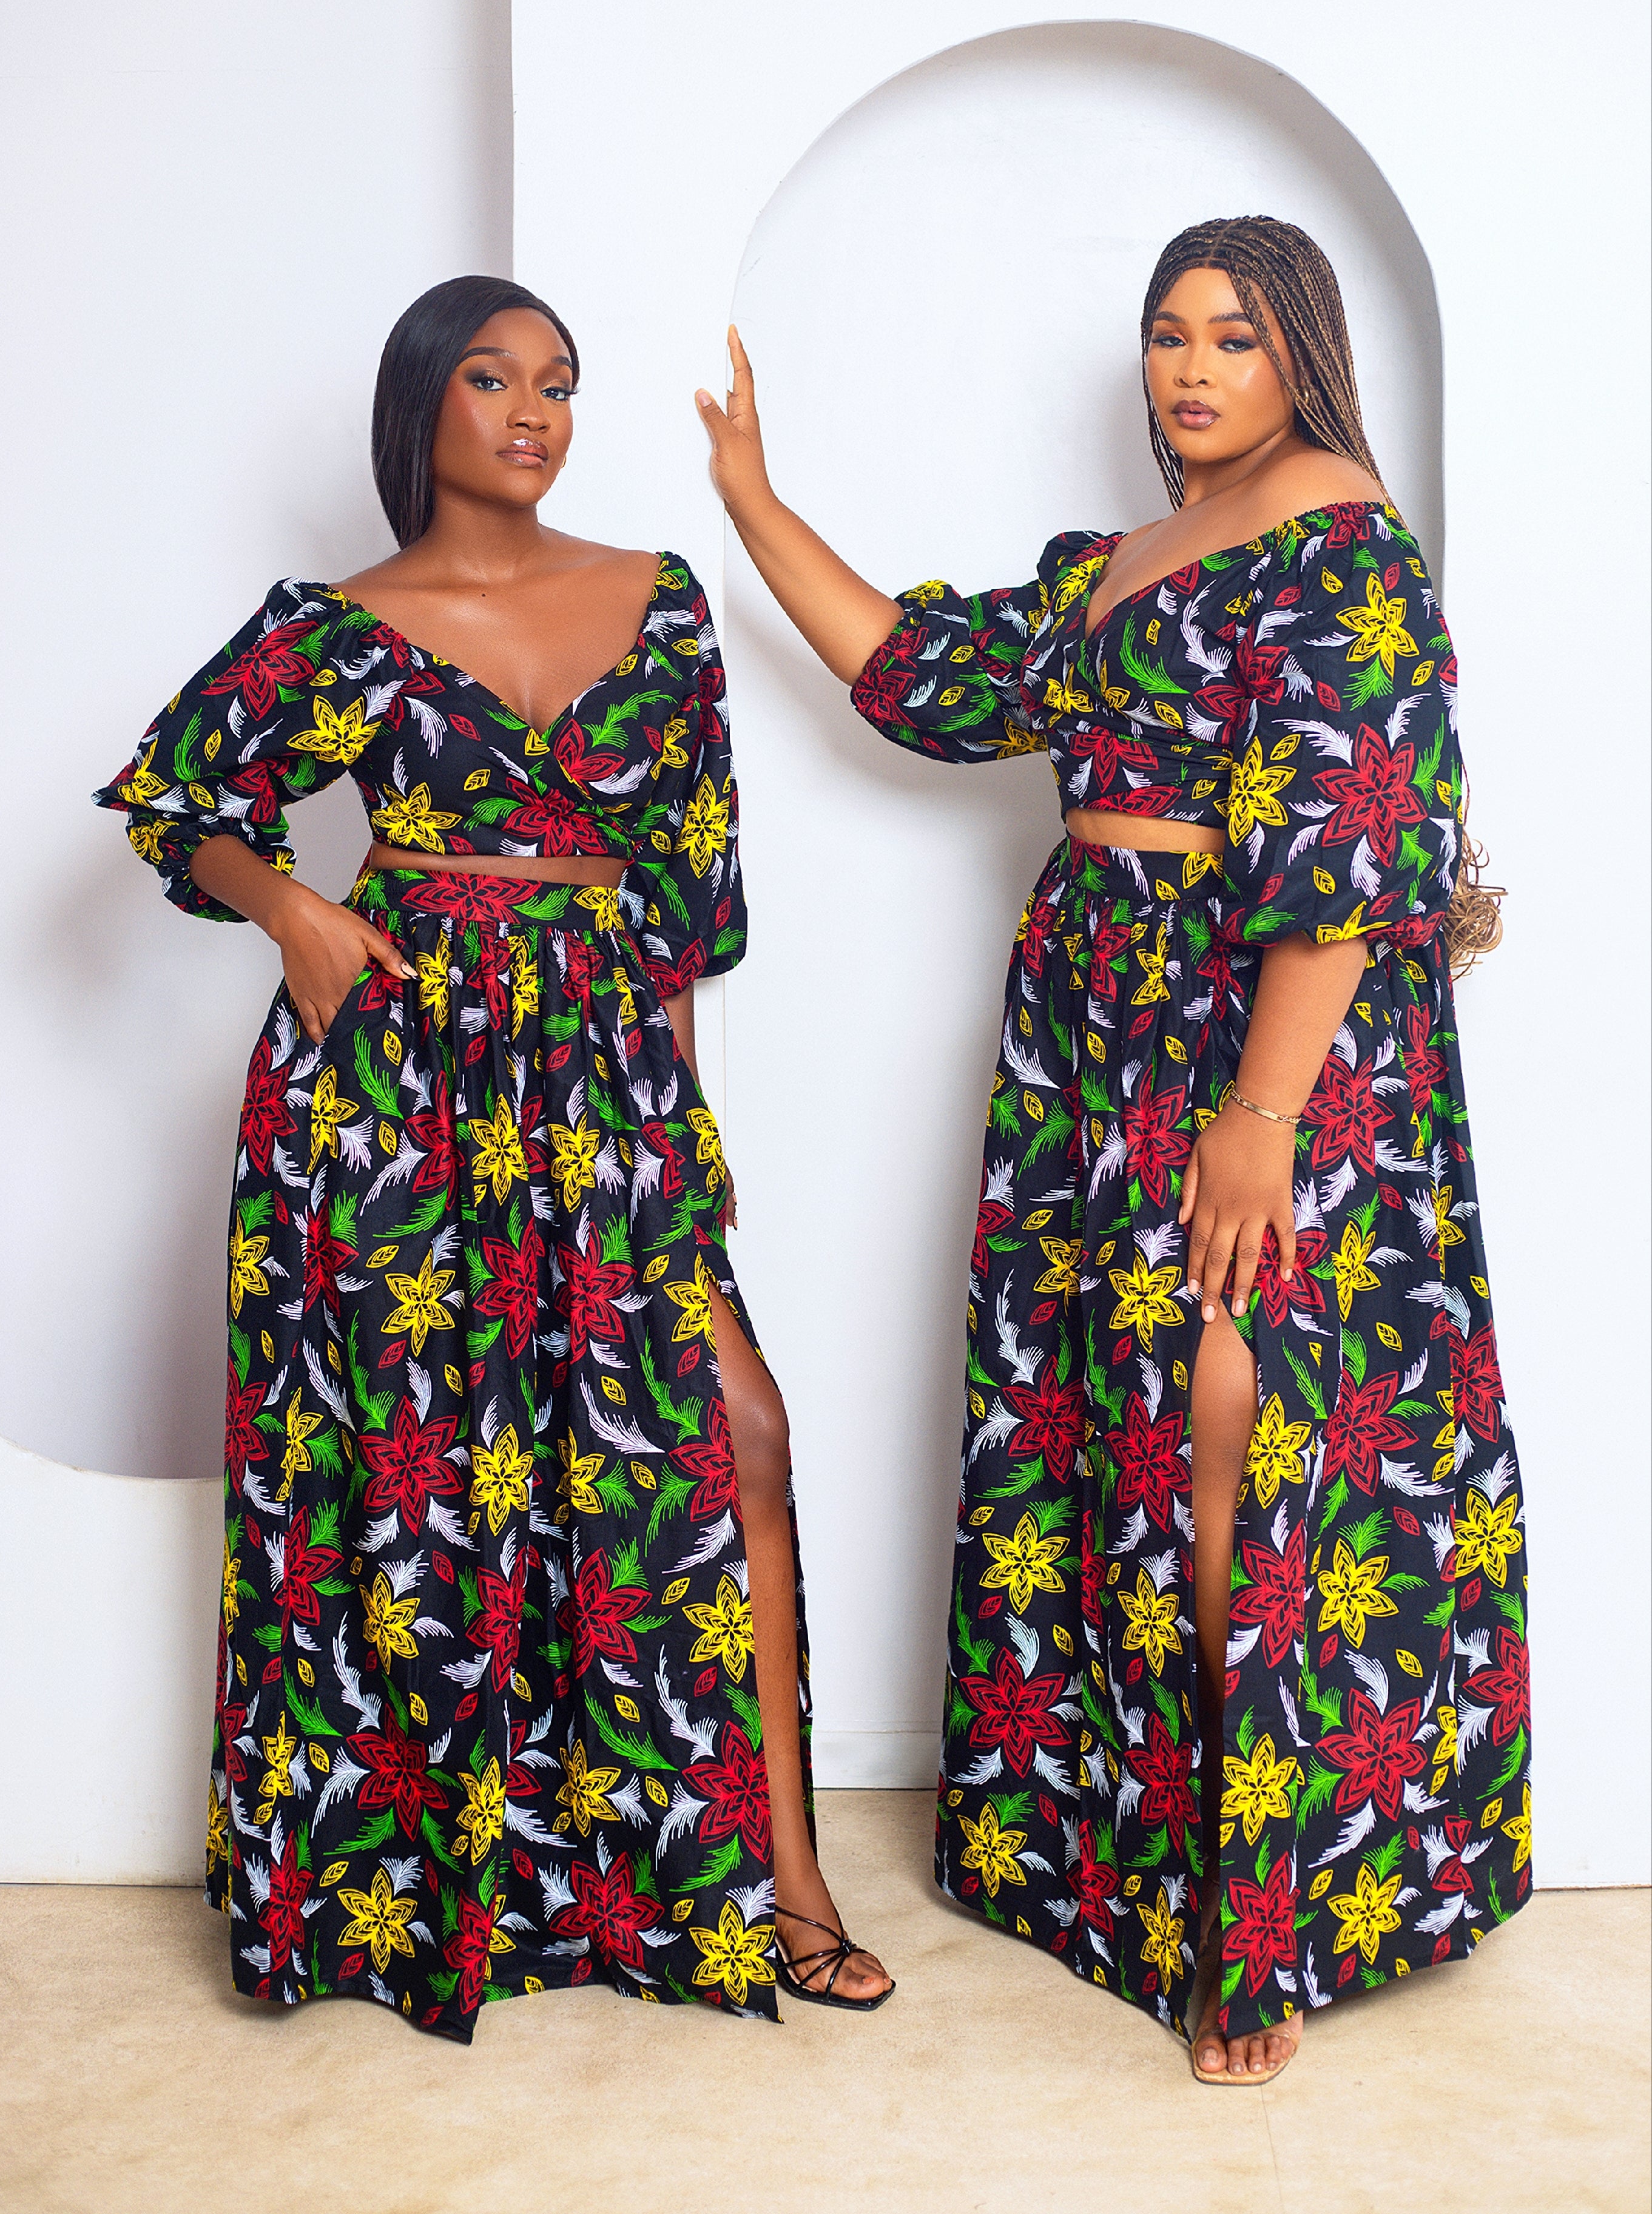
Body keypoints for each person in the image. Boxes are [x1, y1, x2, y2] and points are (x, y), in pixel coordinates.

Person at [695, 217, 1527, 2084]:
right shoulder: (1117, 563)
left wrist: (1259, 1119)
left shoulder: (1341, 545)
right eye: (1168, 334)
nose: (1191, 366)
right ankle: (1130, 1864)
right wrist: (750, 496)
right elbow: (920, 676)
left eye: (1233, 334)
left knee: (1240, 1415)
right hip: (1094, 1037)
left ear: (1300, 353)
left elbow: (1352, 840)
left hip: (1257, 1035)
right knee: (1123, 1430)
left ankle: (1257, 1918)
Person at [95, 274, 892, 2039]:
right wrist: (292, 902)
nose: (532, 410)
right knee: (423, 1481)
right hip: (395, 1093)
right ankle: (427, 1891)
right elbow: (170, 797)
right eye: (490, 377)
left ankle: (779, 1876)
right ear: (423, 406)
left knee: (734, 1433)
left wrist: (683, 1144)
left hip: (603, 1080)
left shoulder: (661, 605)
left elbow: (682, 908)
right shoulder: (341, 627)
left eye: (559, 381)